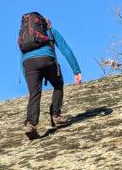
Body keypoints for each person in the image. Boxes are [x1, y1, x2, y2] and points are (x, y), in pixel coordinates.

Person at [18, 11, 81, 139]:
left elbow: (21, 59)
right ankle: (56, 116)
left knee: (34, 94)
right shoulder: (50, 31)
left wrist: (28, 80)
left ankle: (30, 124)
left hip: (29, 64)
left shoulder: (25, 38)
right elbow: (65, 49)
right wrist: (76, 70)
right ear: (45, 24)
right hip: (47, 59)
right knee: (58, 84)